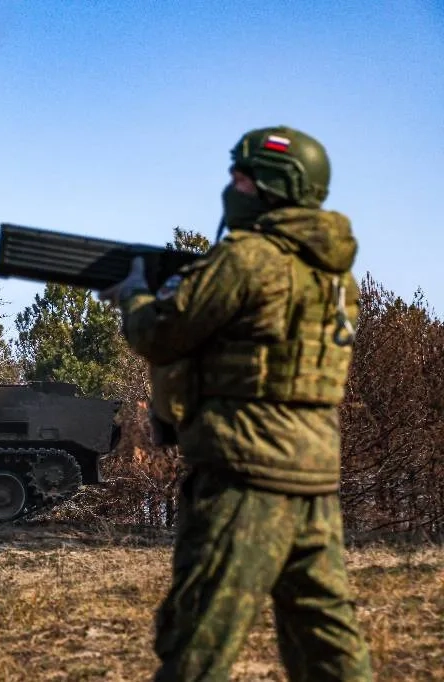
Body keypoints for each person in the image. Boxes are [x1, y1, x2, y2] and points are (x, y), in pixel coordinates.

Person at [100, 126, 373, 681]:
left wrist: (134, 296)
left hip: (245, 474)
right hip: (313, 477)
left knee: (198, 643)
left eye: (243, 178)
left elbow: (161, 335)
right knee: (327, 646)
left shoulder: (247, 258)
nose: (232, 186)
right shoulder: (335, 275)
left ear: (276, 187)